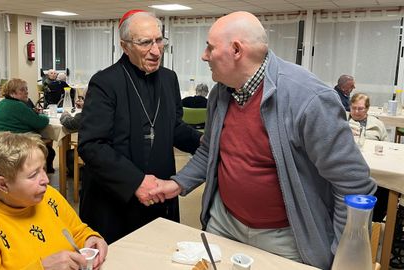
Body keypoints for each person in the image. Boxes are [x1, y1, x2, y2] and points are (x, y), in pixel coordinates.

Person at [150, 11, 376, 270]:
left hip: (288, 238)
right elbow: (210, 151)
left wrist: (342, 257)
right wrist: (178, 183)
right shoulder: (221, 92)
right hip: (223, 223)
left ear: (236, 50)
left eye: (210, 47)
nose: (204, 55)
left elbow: (353, 183)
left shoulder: (308, 98)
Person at [77, 10, 201, 244]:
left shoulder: (169, 78)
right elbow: (91, 145)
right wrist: (135, 181)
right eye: (145, 43)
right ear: (125, 46)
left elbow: (173, 127)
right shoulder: (105, 82)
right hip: (116, 198)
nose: (156, 51)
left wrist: (202, 142)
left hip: (159, 192)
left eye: (159, 40)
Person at [0, 133, 108, 269]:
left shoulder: (49, 197)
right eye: (33, 175)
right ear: (3, 184)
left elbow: (77, 231)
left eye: (43, 169)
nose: (45, 180)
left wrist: (90, 239)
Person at [0, 78, 56, 173]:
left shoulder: (1, 103)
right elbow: (41, 122)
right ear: (12, 92)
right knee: (49, 150)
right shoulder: (18, 106)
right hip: (8, 148)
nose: (26, 92)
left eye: (26, 89)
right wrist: (42, 115)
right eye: (22, 90)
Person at [348, 92, 388, 222]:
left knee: (384, 187)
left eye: (360, 108)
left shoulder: (377, 124)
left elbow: (385, 146)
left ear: (367, 109)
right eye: (354, 108)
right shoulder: (342, 122)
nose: (356, 111)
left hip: (374, 165)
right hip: (350, 166)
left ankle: (375, 219)